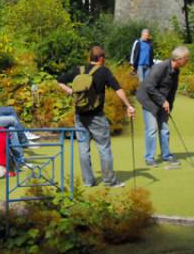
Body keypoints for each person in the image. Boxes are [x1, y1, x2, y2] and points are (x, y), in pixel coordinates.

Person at [57, 46, 135, 188]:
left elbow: (59, 80)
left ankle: (88, 181)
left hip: (80, 115)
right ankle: (109, 181)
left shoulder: (78, 70)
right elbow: (118, 89)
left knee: (83, 148)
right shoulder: (103, 71)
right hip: (96, 117)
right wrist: (128, 105)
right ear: (101, 58)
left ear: (89, 58)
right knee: (104, 148)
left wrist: (69, 90)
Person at [135, 46, 190, 168]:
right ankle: (149, 158)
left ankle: (167, 156)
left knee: (164, 129)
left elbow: (172, 90)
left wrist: (169, 105)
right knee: (152, 129)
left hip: (162, 101)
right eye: (187, 58)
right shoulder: (160, 68)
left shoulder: (176, 70)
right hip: (148, 100)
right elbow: (149, 86)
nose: (188, 61)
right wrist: (163, 101)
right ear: (179, 59)